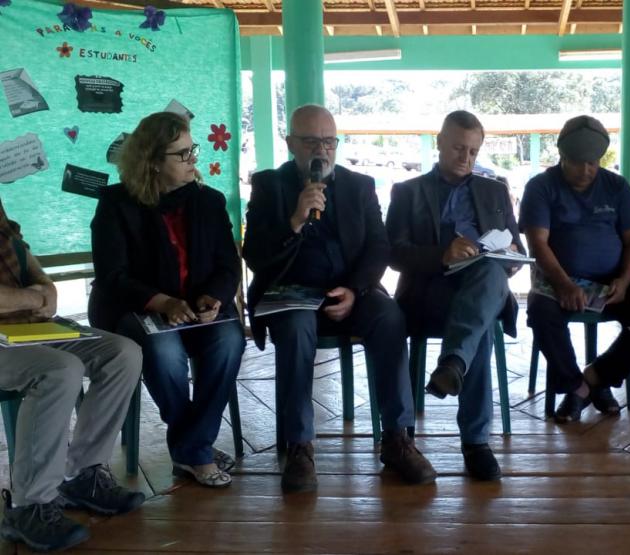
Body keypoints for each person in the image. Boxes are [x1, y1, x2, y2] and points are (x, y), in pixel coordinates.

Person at [243, 105, 435, 492]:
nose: (322, 150)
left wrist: (356, 289)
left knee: (390, 317)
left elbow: (379, 248)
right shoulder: (269, 185)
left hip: (351, 289)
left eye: (329, 141)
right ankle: (299, 446)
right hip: (291, 294)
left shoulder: (359, 185)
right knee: (296, 330)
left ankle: (397, 438)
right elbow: (254, 255)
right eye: (311, 141)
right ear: (291, 143)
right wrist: (295, 219)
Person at [90, 112, 245, 487]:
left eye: (192, 149)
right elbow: (113, 276)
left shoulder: (209, 201)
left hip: (197, 310)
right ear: (153, 163)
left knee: (229, 341)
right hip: (137, 309)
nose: (193, 159)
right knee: (164, 351)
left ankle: (191, 446)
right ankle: (196, 451)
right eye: (181, 154)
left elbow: (228, 265)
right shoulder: (116, 202)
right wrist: (162, 302)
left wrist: (214, 298)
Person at [386, 110, 524, 481]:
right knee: (477, 320)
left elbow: (517, 250)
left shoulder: (495, 190)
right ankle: (476, 442)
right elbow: (394, 253)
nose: (466, 158)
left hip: (481, 286)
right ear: (440, 143)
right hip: (428, 293)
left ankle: (453, 366)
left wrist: (509, 255)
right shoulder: (408, 192)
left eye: (474, 151)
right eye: (459, 149)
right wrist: (441, 254)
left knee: (490, 277)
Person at [0, 200, 145, 552]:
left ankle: (83, 474)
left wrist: (41, 292)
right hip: (13, 334)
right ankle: (28, 505)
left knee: (123, 353)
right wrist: (31, 298)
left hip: (28, 328)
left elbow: (42, 283)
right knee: (59, 370)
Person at [520, 115, 630, 423]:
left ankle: (596, 378)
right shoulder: (540, 187)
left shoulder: (616, 186)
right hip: (558, 281)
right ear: (561, 157)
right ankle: (577, 386)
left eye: (593, 163)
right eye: (577, 162)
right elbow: (538, 244)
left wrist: (624, 280)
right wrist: (564, 284)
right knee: (541, 314)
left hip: (610, 281)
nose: (586, 170)